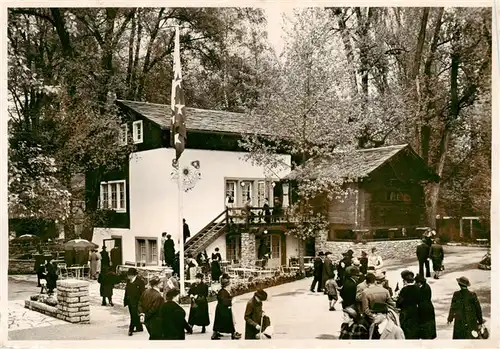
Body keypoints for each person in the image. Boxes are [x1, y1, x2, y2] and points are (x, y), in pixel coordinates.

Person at [212, 274, 241, 340]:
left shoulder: (224, 291)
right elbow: (224, 301)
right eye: (229, 285)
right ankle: (232, 333)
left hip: (222, 309)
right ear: (226, 286)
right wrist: (232, 301)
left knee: (219, 322)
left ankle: (216, 333)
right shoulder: (222, 292)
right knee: (228, 321)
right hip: (223, 309)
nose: (230, 286)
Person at [396, 270, 420, 339]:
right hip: (415, 310)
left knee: (406, 330)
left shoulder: (404, 290)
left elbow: (399, 302)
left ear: (405, 281)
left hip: (405, 312)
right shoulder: (417, 288)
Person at [123, 268, 146, 336]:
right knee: (133, 315)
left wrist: (141, 303)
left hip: (137, 302)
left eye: (129, 275)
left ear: (133, 275)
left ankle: (131, 329)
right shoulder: (129, 281)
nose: (128, 276)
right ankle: (139, 327)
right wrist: (125, 299)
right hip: (130, 301)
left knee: (133, 316)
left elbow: (143, 293)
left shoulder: (140, 282)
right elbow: (127, 291)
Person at [415, 274, 436, 339]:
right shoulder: (427, 286)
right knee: (429, 323)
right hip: (429, 306)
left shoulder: (421, 289)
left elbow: (418, 298)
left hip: (423, 308)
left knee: (424, 324)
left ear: (419, 282)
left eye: (416, 282)